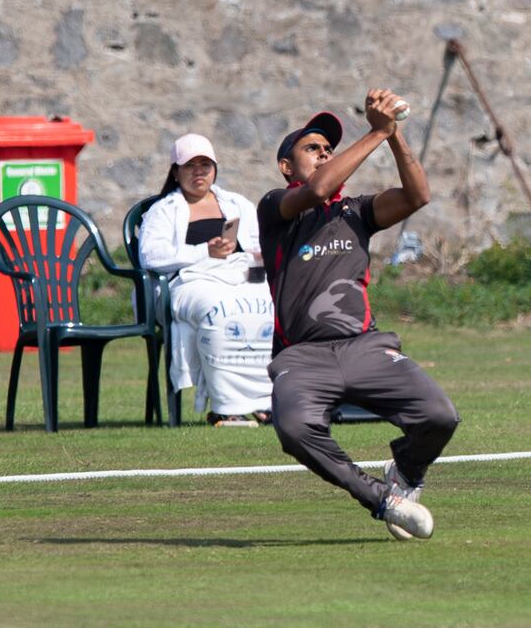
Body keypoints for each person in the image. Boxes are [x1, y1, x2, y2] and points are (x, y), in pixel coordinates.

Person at [257, 90, 460, 539]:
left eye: (328, 149)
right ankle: (381, 499)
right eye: (313, 149)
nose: (324, 154)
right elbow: (318, 188)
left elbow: (418, 194)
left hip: (364, 346)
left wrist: (393, 137)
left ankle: (405, 473)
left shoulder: (357, 212)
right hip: (303, 355)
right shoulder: (275, 207)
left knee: (439, 416)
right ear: (286, 166)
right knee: (293, 429)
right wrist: (375, 131)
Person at [138, 133, 273, 426]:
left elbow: (255, 247)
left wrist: (259, 267)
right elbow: (150, 256)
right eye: (190, 166)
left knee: (265, 307)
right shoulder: (162, 211)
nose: (198, 172)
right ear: (176, 171)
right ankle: (227, 406)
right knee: (219, 310)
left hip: (236, 276)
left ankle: (263, 400)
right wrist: (205, 252)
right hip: (188, 283)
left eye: (205, 165)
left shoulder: (238, 204)